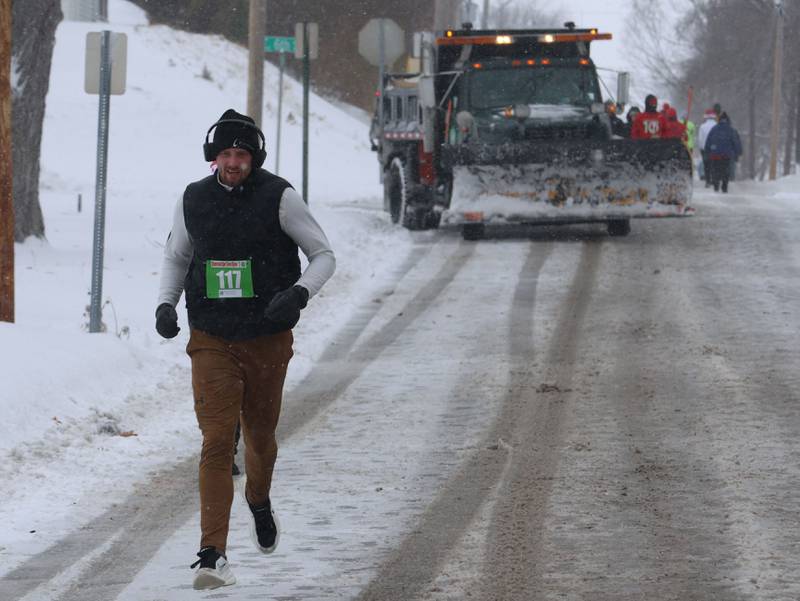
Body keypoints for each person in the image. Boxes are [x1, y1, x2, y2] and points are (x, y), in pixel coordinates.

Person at [155, 108, 336, 590]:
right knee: (216, 441)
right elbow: (177, 257)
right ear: (213, 157)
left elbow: (323, 255)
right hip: (212, 336)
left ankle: (259, 499)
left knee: (259, 436)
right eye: (225, 154)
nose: (233, 162)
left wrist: (298, 294)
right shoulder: (193, 199)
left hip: (266, 337)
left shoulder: (280, 197)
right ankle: (212, 554)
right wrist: (165, 306)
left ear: (254, 157)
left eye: (241, 154)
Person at [704, 111, 742, 193]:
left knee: (715, 169)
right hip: (726, 154)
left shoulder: (714, 129)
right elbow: (735, 142)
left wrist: (707, 151)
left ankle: (716, 184)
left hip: (715, 154)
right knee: (726, 170)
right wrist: (738, 152)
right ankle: (724, 186)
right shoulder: (731, 130)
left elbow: (708, 141)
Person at [697, 108, 718, 186]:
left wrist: (701, 148)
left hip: (705, 148)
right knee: (714, 164)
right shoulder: (716, 125)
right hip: (715, 148)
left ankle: (708, 180)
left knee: (706, 164)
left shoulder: (702, 126)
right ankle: (714, 179)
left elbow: (700, 139)